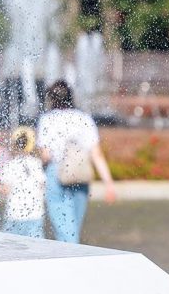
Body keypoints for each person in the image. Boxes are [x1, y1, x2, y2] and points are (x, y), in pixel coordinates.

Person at [36, 80, 116, 243]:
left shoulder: (47, 119)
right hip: (80, 171)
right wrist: (109, 183)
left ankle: (69, 261)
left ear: (51, 99)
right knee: (74, 226)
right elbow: (96, 154)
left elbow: (45, 155)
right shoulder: (84, 119)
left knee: (64, 229)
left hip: (56, 172)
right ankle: (74, 258)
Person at [0, 126, 45, 238]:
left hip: (14, 214)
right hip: (35, 214)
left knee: (12, 248)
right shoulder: (36, 163)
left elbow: (5, 190)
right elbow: (42, 186)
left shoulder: (10, 165)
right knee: (36, 248)